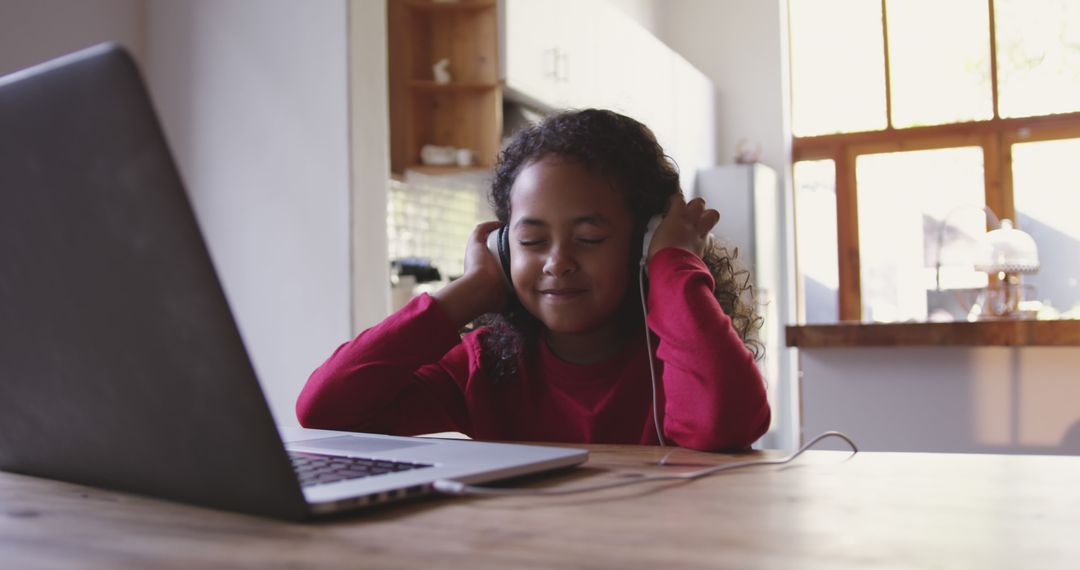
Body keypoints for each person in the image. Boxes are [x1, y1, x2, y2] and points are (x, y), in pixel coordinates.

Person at [297, 109, 770, 451]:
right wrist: (468, 292)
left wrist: (673, 264)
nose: (557, 263)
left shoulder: (677, 358)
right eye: (532, 241)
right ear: (503, 249)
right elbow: (325, 409)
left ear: (642, 245)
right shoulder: (487, 365)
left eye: (589, 238)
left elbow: (725, 425)